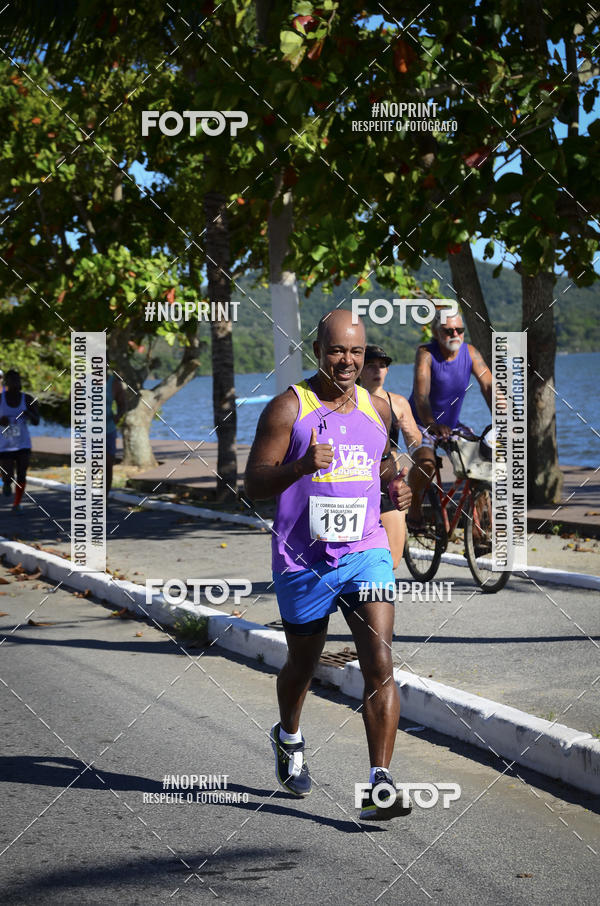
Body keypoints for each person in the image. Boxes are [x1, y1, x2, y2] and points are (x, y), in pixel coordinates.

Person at [245, 309, 413, 821]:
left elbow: (381, 462)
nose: (347, 361)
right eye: (337, 350)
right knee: (302, 664)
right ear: (317, 351)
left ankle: (379, 783)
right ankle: (288, 734)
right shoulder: (287, 409)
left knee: (380, 665)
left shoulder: (375, 408)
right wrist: (300, 466)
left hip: (365, 551)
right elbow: (252, 485)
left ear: (366, 356)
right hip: (303, 561)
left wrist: (396, 486)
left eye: (356, 352)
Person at [406, 310, 492, 528]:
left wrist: (508, 418)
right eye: (448, 330)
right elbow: (421, 396)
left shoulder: (470, 353)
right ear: (436, 332)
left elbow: (490, 387)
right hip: (421, 421)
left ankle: (479, 528)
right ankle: (415, 503)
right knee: (427, 463)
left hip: (451, 425)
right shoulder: (426, 353)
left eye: (459, 330)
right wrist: (431, 424)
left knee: (483, 462)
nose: (455, 334)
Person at [359, 344, 422, 568]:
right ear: (359, 369)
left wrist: (408, 426)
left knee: (393, 561)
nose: (377, 371)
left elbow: (415, 442)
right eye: (371, 366)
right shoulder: (347, 401)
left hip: (387, 480)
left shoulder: (398, 402)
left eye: (382, 366)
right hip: (355, 480)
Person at [0, 369, 40, 513]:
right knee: (8, 475)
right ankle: (6, 482)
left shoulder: (27, 399)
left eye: (18, 380)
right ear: (7, 383)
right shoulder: (0, 399)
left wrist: (29, 413)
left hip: (23, 443)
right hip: (5, 445)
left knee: (22, 473)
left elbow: (37, 421)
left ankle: (16, 504)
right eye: (13, 380)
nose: (17, 383)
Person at [106, 369, 125, 496]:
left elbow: (122, 404)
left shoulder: (114, 383)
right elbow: (72, 400)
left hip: (108, 430)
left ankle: (104, 498)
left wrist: (118, 416)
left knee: (108, 465)